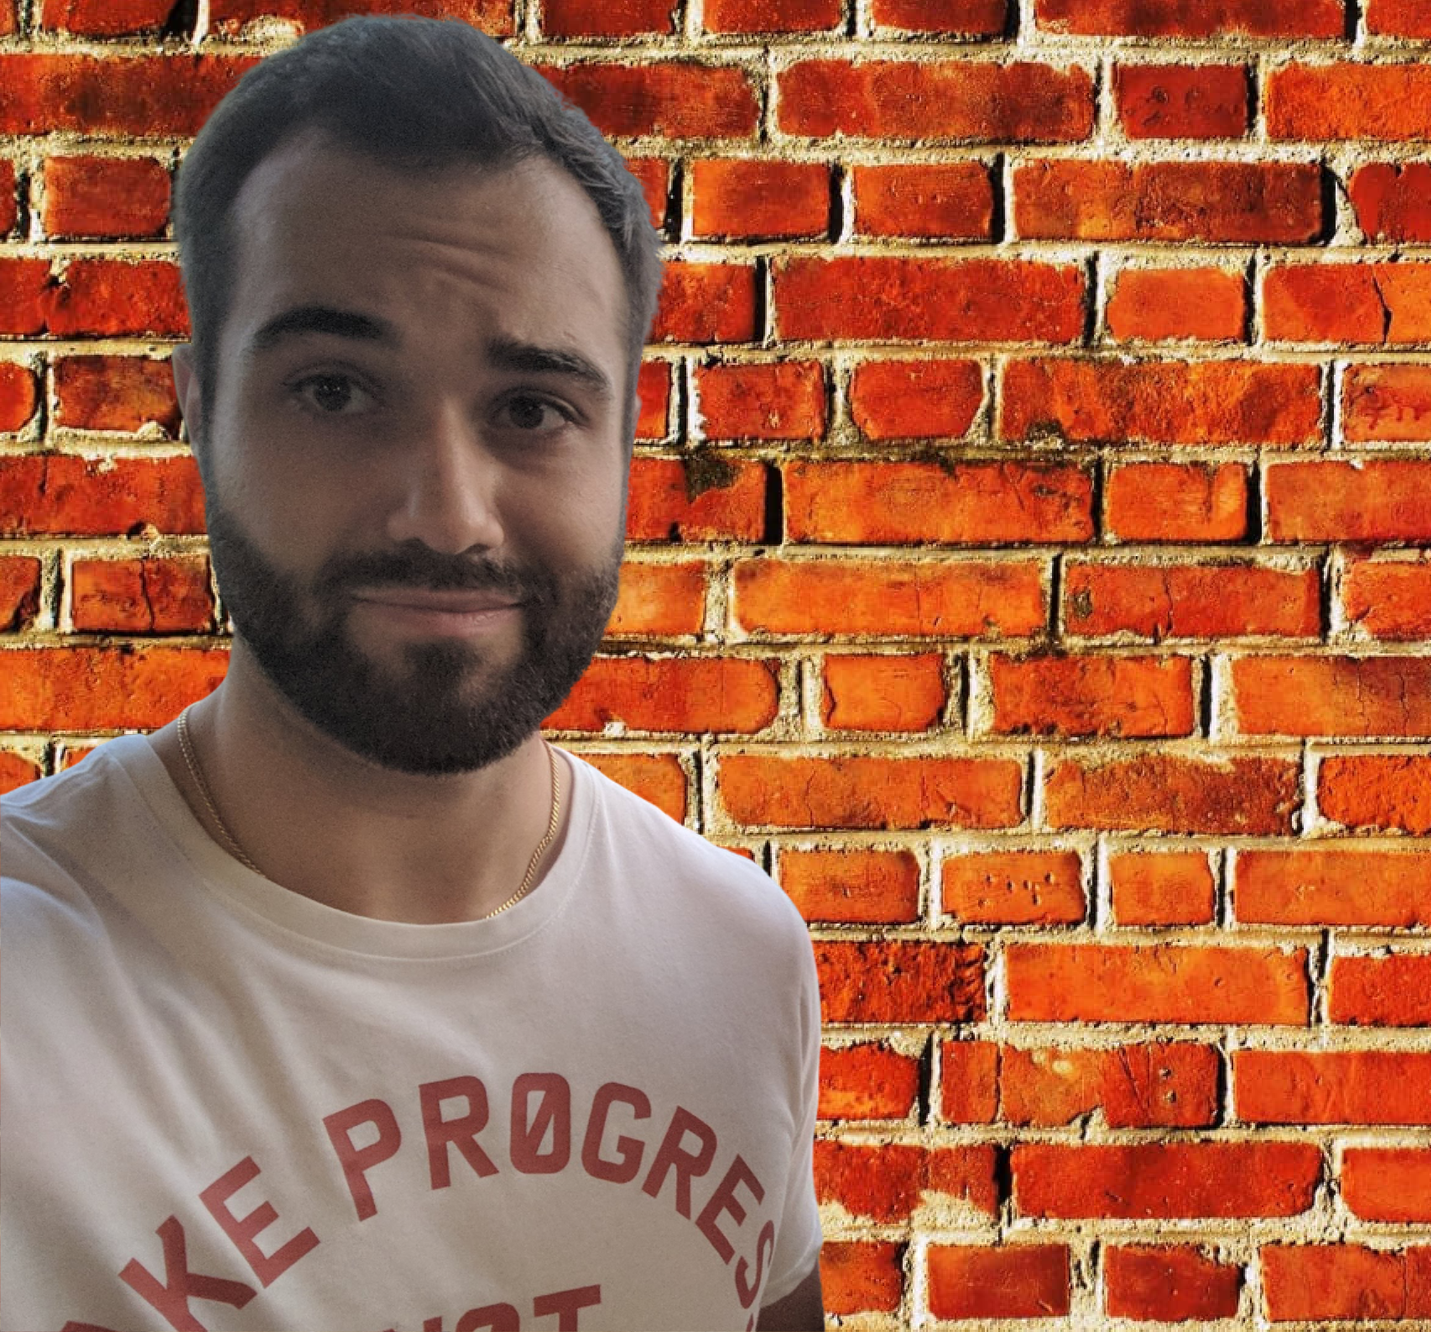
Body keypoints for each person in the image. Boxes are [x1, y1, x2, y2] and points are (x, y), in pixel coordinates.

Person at [0, 16, 825, 1330]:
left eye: (532, 408)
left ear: (626, 441)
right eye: (336, 391)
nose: (447, 515)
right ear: (197, 408)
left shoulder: (736, 956)